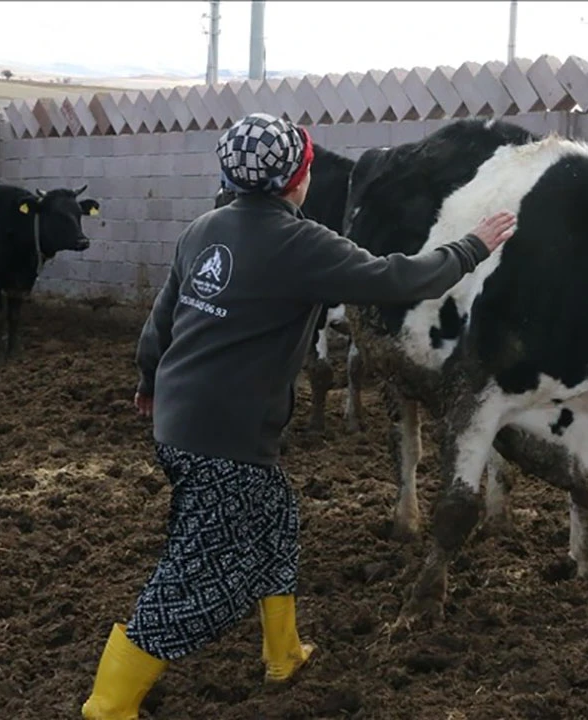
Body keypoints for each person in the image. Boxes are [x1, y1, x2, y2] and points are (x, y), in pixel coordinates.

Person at [80, 113, 517, 719]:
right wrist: (473, 246)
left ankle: (283, 653)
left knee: (275, 521)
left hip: (182, 418)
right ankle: (109, 704)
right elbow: (396, 278)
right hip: (226, 435)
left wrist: (149, 381)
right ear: (301, 176)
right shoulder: (301, 242)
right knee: (201, 577)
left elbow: (163, 317)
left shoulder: (203, 228)